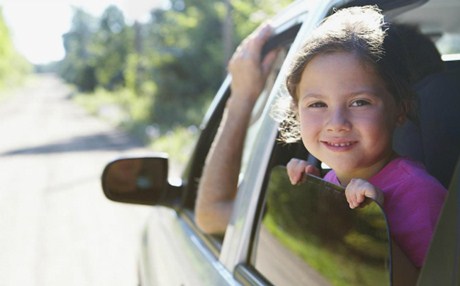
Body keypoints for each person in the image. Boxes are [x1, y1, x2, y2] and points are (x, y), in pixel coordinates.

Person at [196, 5, 446, 274]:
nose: (337, 123)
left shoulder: (422, 196)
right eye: (317, 104)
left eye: (360, 102)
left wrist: (373, 226)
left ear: (400, 109)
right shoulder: (328, 182)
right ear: (296, 112)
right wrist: (304, 197)